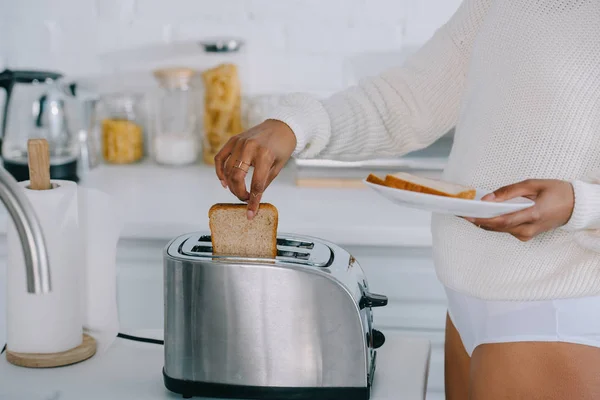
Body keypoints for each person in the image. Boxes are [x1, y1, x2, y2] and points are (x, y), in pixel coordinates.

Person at [214, 0, 600, 398]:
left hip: (555, 308)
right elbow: (407, 102)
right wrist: (294, 125)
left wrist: (579, 203)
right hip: (467, 298)